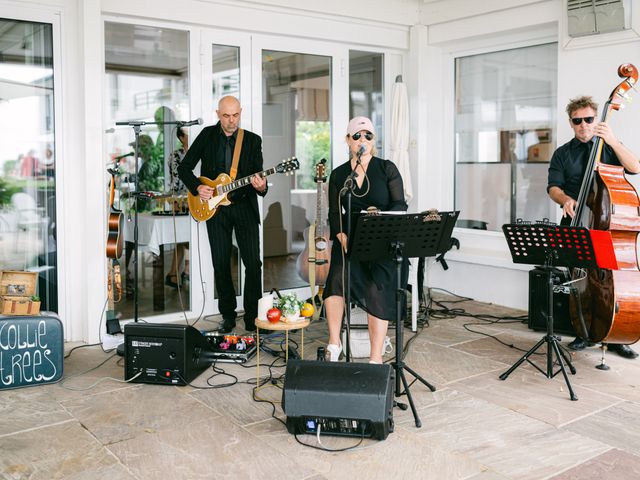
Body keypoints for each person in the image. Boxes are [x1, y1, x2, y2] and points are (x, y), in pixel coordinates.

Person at [547, 95, 640, 359]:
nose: (584, 125)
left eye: (588, 119)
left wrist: (611, 140)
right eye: (578, 121)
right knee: (580, 282)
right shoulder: (563, 153)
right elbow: (553, 187)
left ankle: (615, 335)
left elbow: (635, 167)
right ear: (571, 123)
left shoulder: (610, 147)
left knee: (614, 284)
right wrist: (565, 199)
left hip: (608, 226)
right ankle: (584, 331)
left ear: (595, 119)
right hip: (577, 223)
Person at [178, 96, 267, 333]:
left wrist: (261, 186)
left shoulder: (252, 140)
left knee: (253, 264)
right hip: (214, 211)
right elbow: (184, 167)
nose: (231, 121)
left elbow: (259, 177)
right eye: (226, 116)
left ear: (241, 112)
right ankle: (228, 314)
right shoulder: (207, 135)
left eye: (235, 115)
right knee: (220, 263)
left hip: (244, 208)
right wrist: (197, 187)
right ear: (218, 113)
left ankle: (252, 316)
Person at [322, 116, 408, 364]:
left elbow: (400, 204)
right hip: (350, 238)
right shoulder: (339, 174)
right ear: (348, 140)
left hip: (382, 238)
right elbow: (334, 212)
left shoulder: (387, 168)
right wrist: (340, 235)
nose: (363, 140)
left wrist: (384, 224)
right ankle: (334, 343)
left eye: (368, 135)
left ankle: (375, 356)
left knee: (376, 287)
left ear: (374, 139)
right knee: (337, 277)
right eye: (357, 135)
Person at [165, 127, 189, 288]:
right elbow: (176, 181)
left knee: (189, 240)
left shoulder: (200, 151)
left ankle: (183, 272)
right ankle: (176, 273)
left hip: (201, 200)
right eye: (187, 134)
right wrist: (176, 201)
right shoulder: (176, 155)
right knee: (182, 239)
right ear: (181, 137)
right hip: (182, 201)